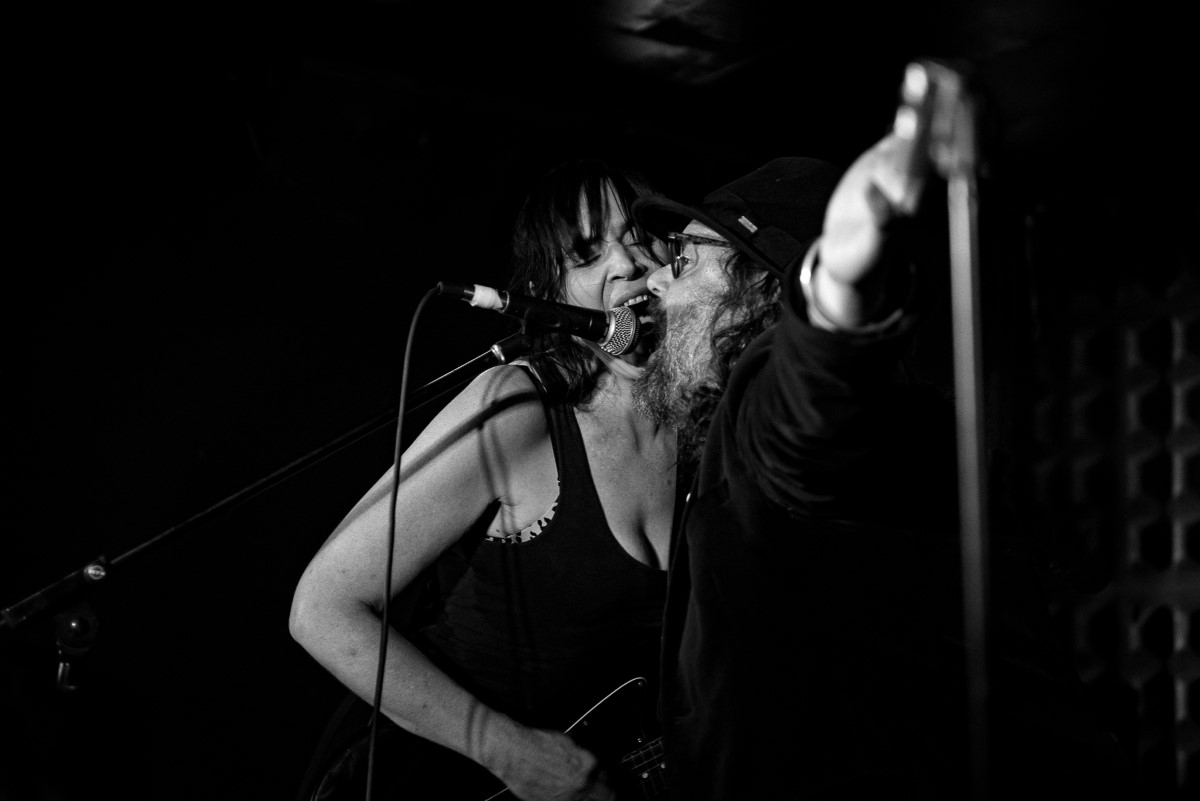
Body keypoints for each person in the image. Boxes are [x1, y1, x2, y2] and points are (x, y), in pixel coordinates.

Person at [629, 130, 1138, 799]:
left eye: (684, 258)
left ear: (757, 288)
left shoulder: (769, 387)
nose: (655, 277)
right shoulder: (865, 428)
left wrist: (835, 286)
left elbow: (803, 402)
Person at [289, 158, 676, 801]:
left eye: (640, 236)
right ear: (551, 298)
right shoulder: (517, 407)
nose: (625, 263)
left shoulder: (711, 431)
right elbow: (323, 609)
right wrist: (510, 754)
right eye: (587, 254)